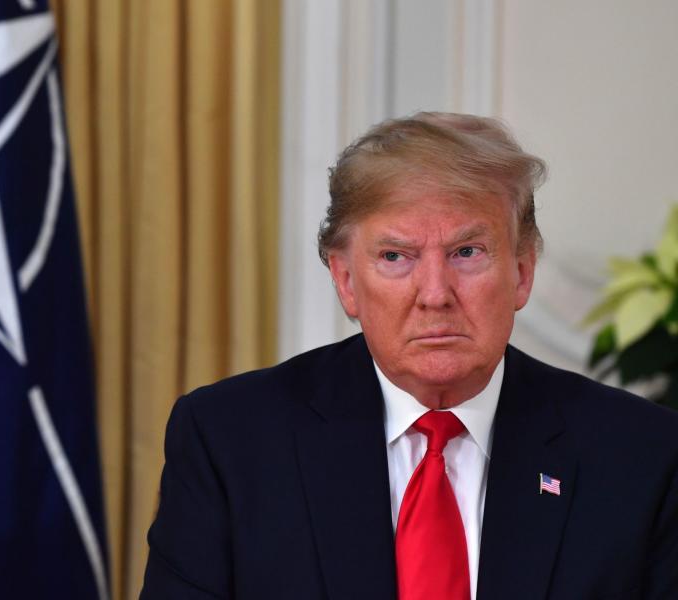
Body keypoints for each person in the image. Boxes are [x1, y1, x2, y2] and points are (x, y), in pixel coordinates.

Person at [139, 112, 678, 599]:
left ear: (522, 270)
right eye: (396, 256)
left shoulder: (642, 456)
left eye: (467, 252)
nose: (435, 292)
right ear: (346, 280)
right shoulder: (230, 441)